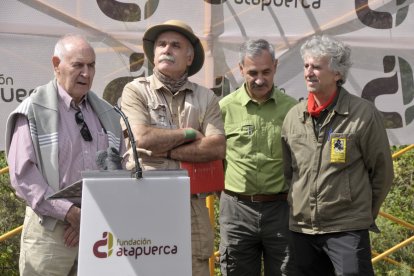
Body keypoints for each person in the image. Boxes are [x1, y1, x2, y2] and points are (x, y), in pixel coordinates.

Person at [5, 34, 125, 276]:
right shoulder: (32, 111)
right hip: (49, 232)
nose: (86, 73)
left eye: (91, 65)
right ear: (56, 64)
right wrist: (71, 213)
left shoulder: (108, 113)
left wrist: (88, 219)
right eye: (78, 65)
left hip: (95, 231)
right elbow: (24, 177)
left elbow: (118, 171)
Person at [119, 20, 226, 276]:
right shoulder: (135, 90)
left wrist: (164, 149)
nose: (167, 49)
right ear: (153, 53)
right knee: (146, 269)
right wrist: (189, 133)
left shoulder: (206, 97)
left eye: (175, 45)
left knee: (196, 269)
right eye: (161, 44)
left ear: (189, 57)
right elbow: (141, 137)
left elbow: (216, 148)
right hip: (146, 199)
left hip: (192, 204)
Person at [281, 35, 394, 275]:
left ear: (337, 74)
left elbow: (382, 173)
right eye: (306, 66)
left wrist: (360, 213)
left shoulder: (363, 114)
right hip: (302, 229)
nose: (309, 72)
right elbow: (289, 173)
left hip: (347, 228)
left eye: (317, 67)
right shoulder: (293, 116)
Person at [219, 39, 297, 276]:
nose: (260, 79)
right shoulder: (224, 108)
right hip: (236, 211)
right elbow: (214, 158)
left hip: (281, 210)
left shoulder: (293, 110)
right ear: (240, 69)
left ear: (275, 66)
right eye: (252, 73)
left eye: (266, 71)